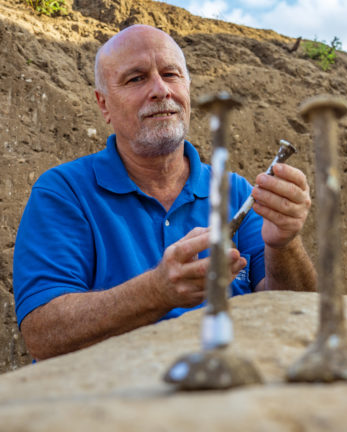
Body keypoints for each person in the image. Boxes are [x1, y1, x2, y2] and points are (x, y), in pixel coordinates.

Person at [13, 24, 316, 361]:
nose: (160, 90)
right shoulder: (64, 193)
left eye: (171, 74)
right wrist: (156, 291)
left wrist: (284, 244)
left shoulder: (236, 191)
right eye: (135, 79)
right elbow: (42, 333)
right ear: (104, 105)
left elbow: (294, 310)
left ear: (187, 86)